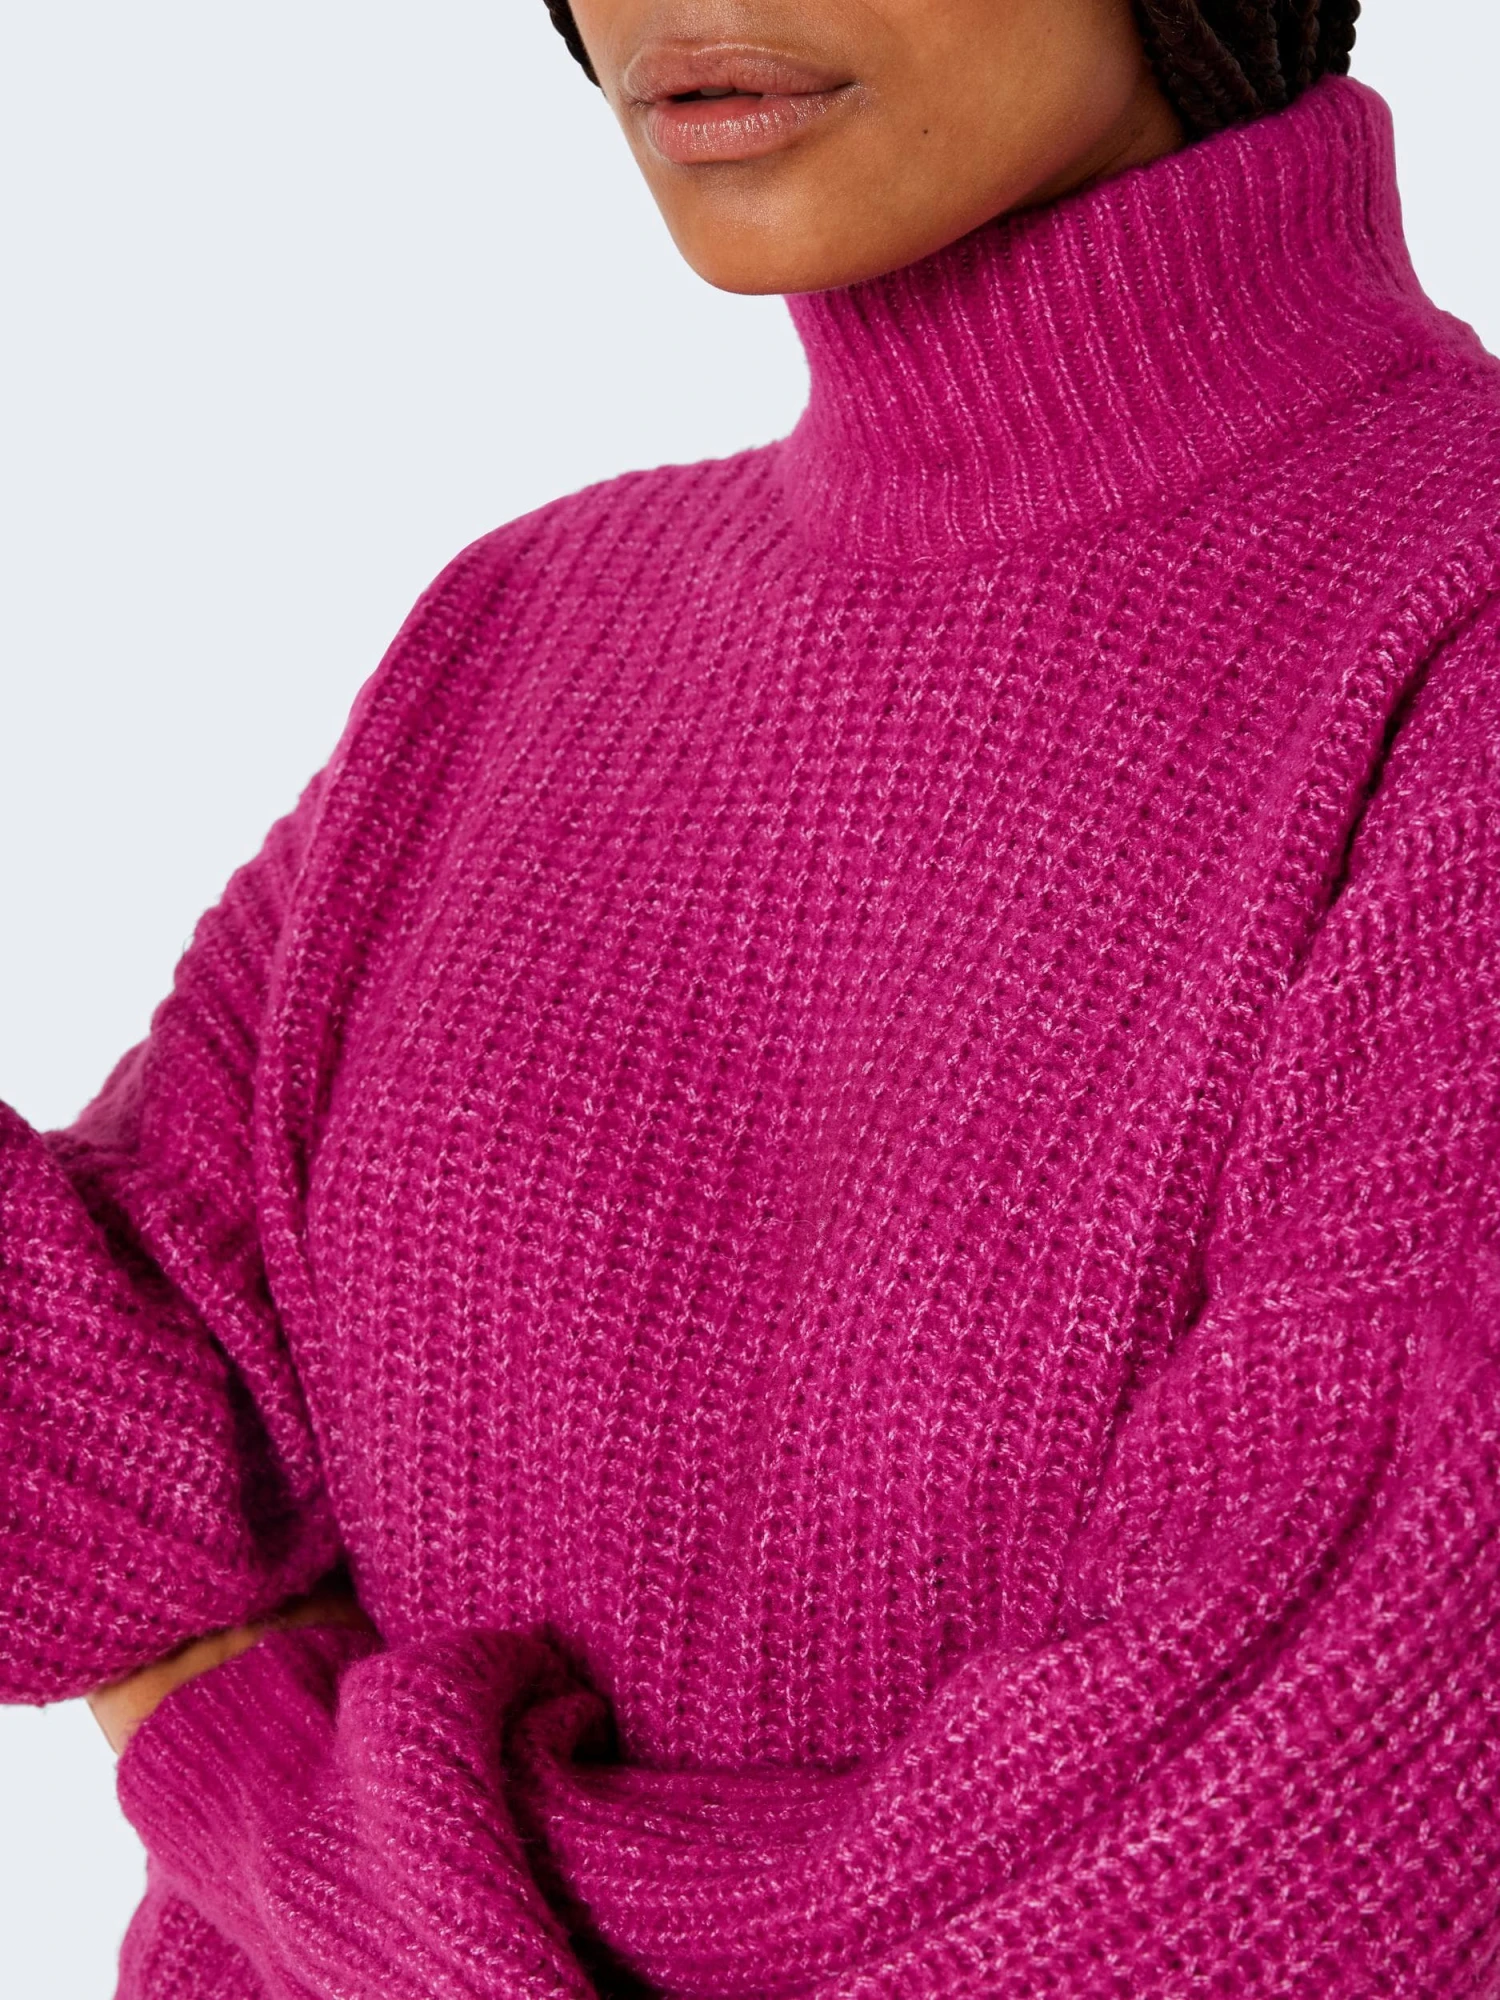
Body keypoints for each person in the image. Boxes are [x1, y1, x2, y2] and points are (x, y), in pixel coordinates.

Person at [3, 0, 1498, 1992]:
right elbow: (94, 1461)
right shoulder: (532, 624)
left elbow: (1222, 1904)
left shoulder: (1455, 643)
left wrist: (254, 1772)